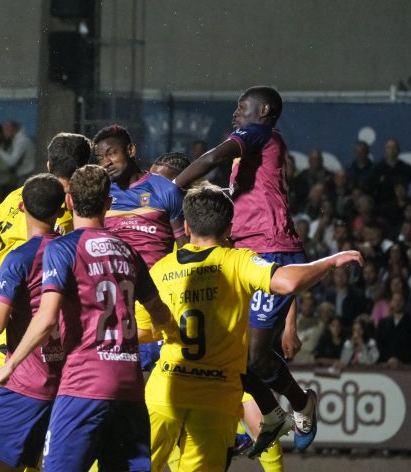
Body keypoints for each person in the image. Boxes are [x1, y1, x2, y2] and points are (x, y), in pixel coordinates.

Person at [146, 182, 363, 471]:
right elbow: (288, 282)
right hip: (216, 398)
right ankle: (277, 418)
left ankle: (276, 417)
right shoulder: (237, 261)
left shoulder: (161, 269)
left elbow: (142, 331)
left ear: (185, 227)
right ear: (228, 230)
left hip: (166, 392)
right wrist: (330, 262)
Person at [0, 165, 172, 472]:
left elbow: (47, 320)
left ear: (69, 202)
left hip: (84, 383)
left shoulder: (62, 249)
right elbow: (159, 311)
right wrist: (172, 332)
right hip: (129, 385)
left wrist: (10, 365)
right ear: (109, 203)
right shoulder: (128, 250)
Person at [174, 86, 318, 454]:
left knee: (253, 355)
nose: (236, 113)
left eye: (242, 107)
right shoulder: (258, 152)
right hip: (242, 252)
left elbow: (212, 156)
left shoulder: (258, 134)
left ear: (264, 110)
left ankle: (300, 404)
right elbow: (245, 193)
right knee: (230, 351)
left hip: (272, 251)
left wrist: (169, 186)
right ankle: (272, 414)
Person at [0, 133, 91, 377]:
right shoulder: (72, 211)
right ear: (84, 168)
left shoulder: (21, 195)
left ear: (49, 164)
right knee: (18, 384)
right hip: (1, 308)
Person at [0, 174, 66, 472]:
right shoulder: (72, 251)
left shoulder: (18, 258)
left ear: (21, 207)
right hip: (67, 380)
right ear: (62, 208)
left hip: (24, 381)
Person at [93, 126, 188, 376]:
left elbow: (185, 250)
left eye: (111, 153)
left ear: (131, 150)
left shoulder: (165, 191)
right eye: (100, 158)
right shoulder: (101, 196)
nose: (106, 163)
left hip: (158, 300)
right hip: (116, 303)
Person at [0, 120, 36, 185]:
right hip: (23, 177)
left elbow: (12, 162)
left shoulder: (21, 141)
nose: (4, 132)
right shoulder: (15, 140)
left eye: (7, 129)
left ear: (14, 129)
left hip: (26, 177)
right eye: (4, 130)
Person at [376, 292, 411, 367]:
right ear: (391, 302)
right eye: (395, 300)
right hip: (385, 364)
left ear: (404, 302)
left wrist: (400, 360)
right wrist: (389, 359)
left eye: (400, 300)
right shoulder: (383, 323)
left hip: (406, 365)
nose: (397, 303)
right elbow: (380, 344)